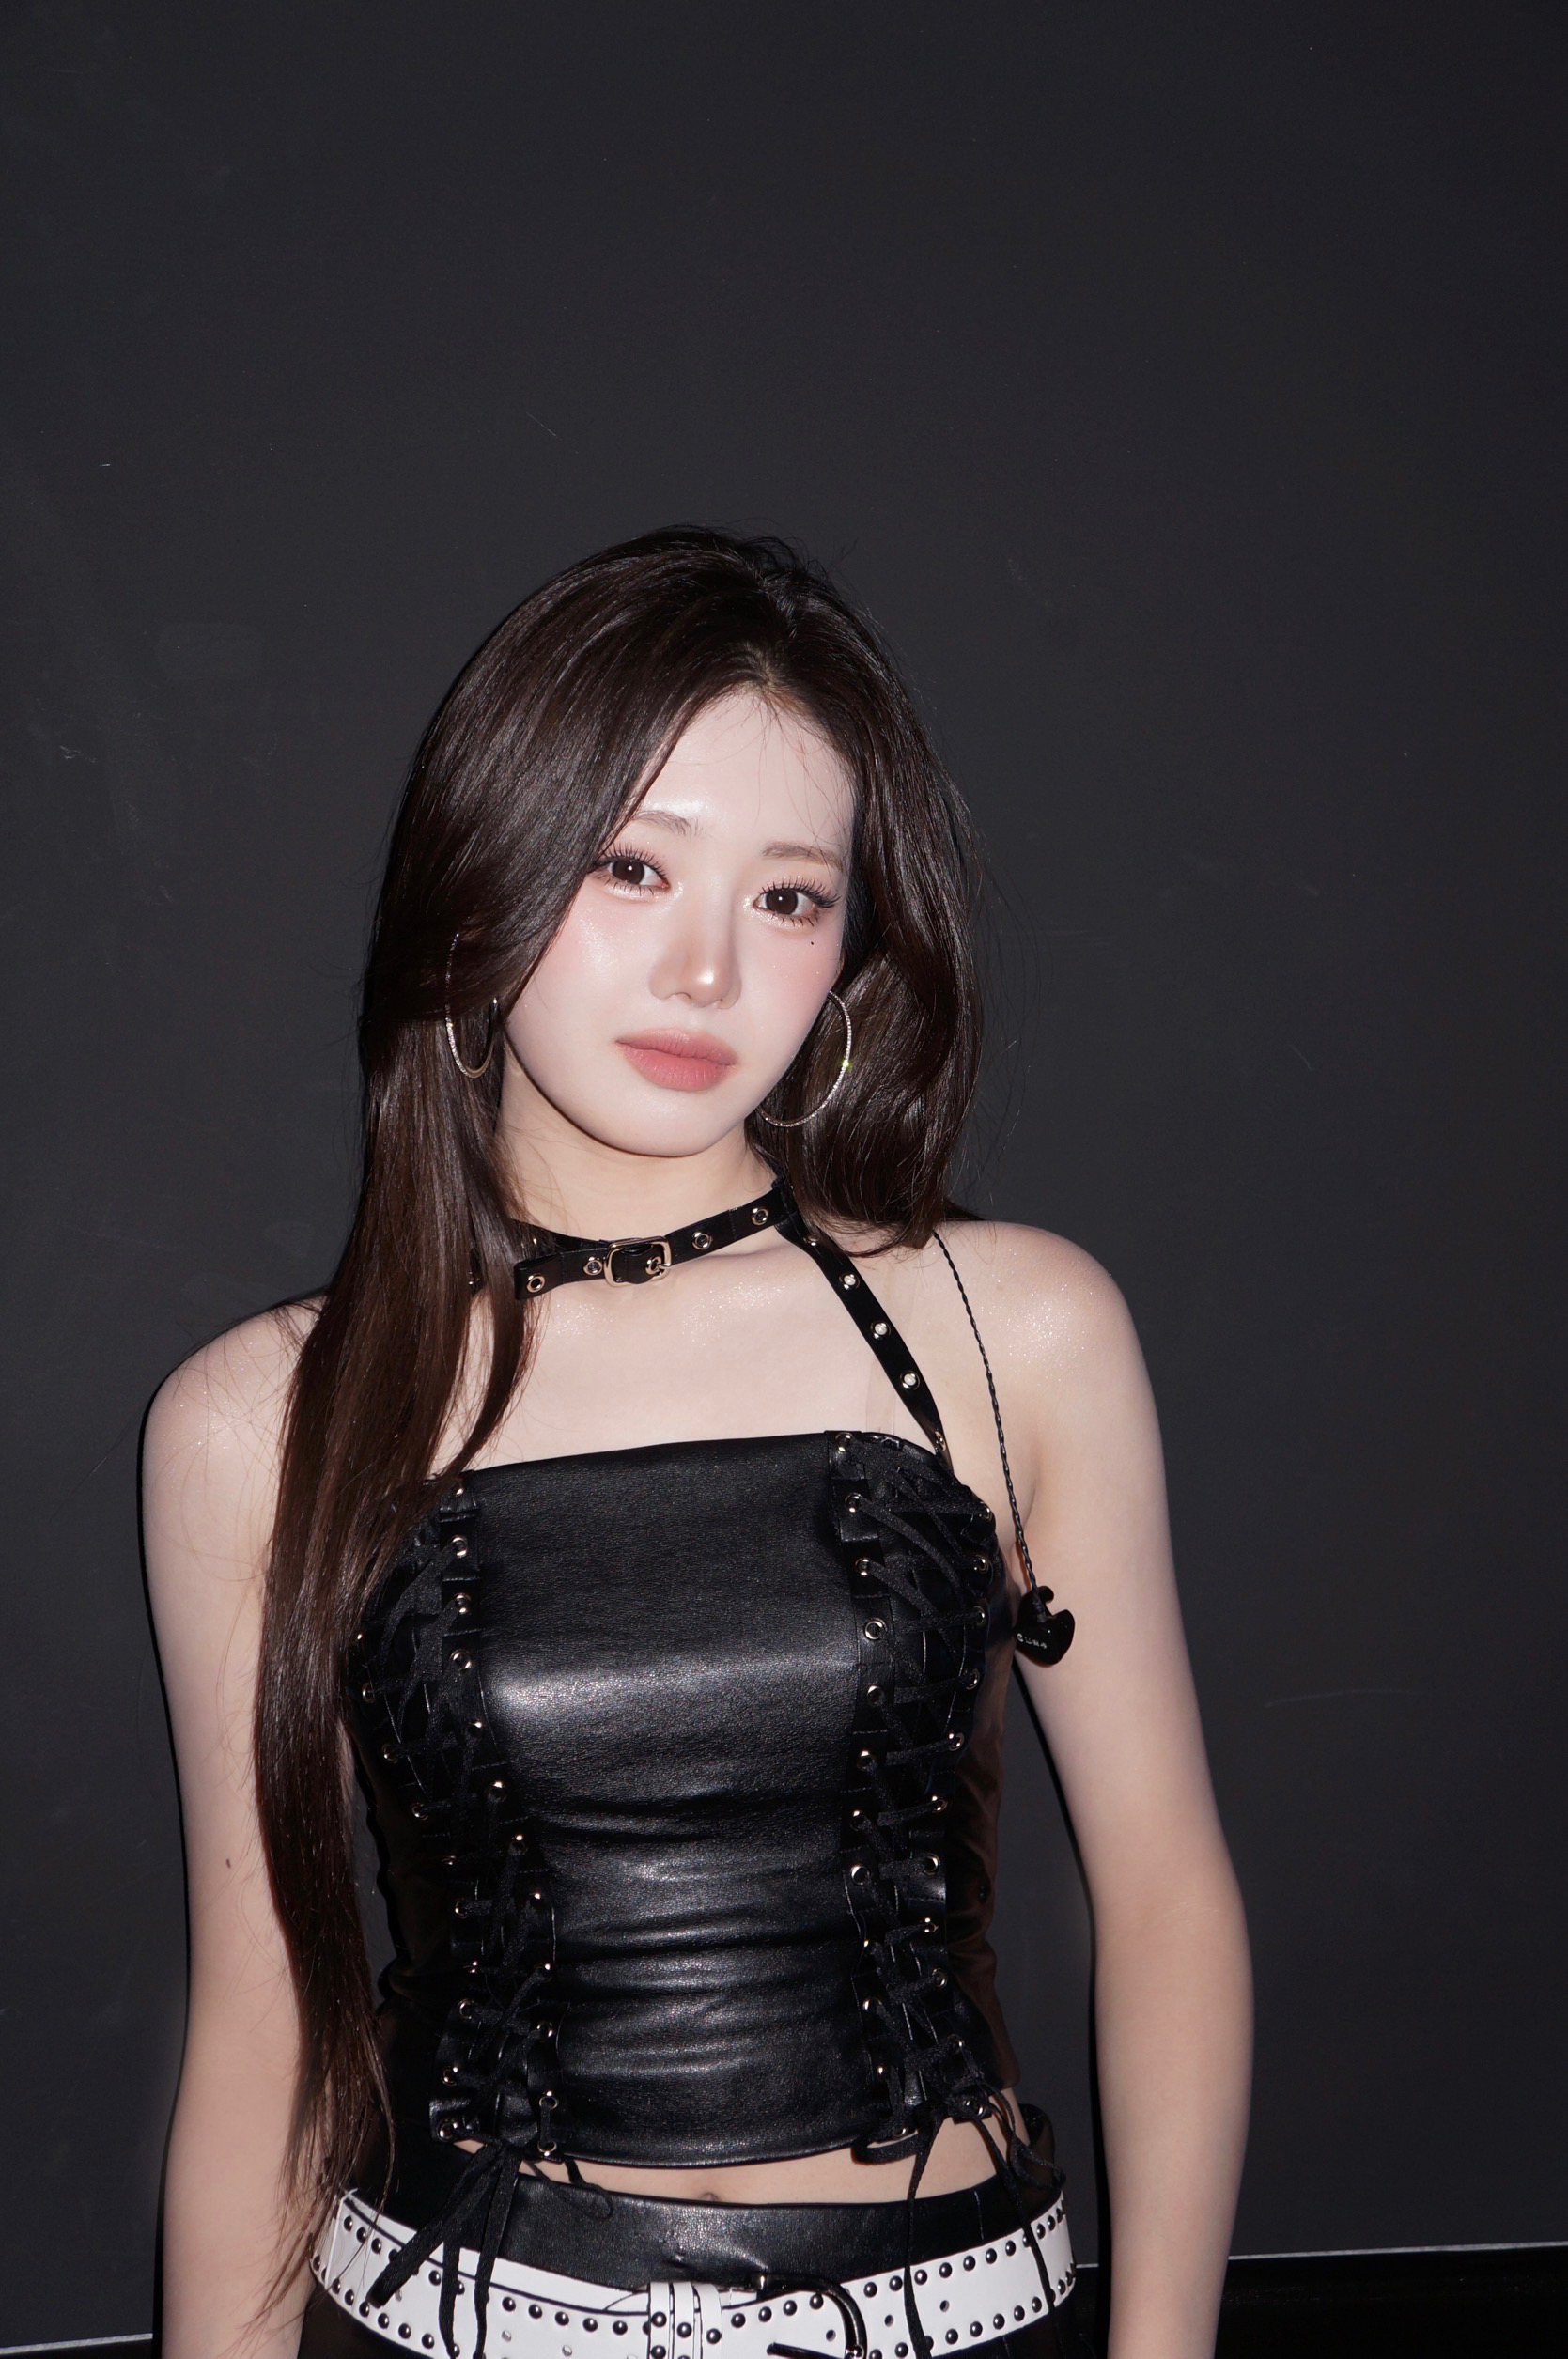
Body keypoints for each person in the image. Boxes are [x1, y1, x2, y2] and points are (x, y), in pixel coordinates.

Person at [144, 527, 1251, 2359]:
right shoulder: (261, 1418)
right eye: (631, 864)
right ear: (482, 877)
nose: (705, 968)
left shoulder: (1013, 1328)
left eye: (789, 897)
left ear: (851, 946)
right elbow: (267, 2029)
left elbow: (1164, 1899)